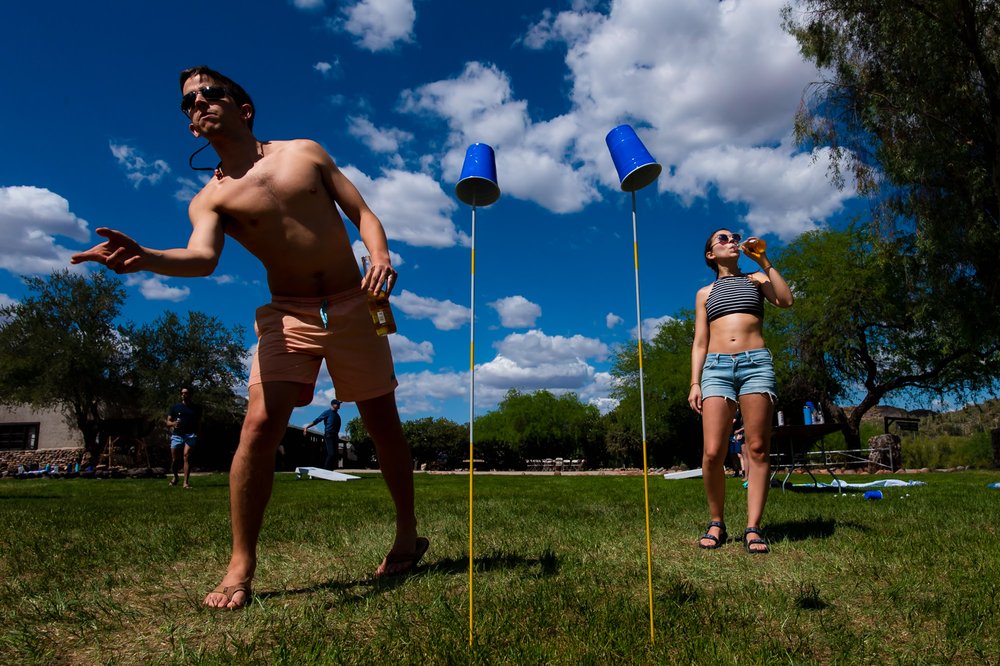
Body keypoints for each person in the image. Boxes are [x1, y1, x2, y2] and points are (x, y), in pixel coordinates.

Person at [71, 66, 428, 608]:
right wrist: (146, 258)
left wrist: (378, 256)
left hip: (356, 304)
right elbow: (201, 259)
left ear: (243, 108)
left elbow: (363, 213)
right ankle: (240, 565)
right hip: (287, 313)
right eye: (189, 102)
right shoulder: (209, 198)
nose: (199, 104)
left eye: (210, 94)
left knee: (382, 424)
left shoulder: (304, 153)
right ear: (191, 126)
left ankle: (406, 534)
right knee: (259, 425)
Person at [688, 229, 793, 554]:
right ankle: (716, 522)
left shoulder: (757, 279)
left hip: (756, 364)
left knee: (758, 447)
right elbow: (700, 342)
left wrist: (762, 259)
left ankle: (753, 527)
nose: (732, 240)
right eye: (723, 239)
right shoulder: (705, 292)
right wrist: (695, 382)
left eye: (734, 236)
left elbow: (786, 301)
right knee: (713, 451)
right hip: (716, 368)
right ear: (710, 254)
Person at [166, 386, 201, 488]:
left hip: (191, 435)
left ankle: (185, 482)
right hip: (177, 435)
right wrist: (173, 423)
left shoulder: (196, 408)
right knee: (175, 460)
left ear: (190, 394)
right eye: (182, 393)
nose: (183, 395)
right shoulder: (175, 407)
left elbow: (199, 423)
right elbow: (168, 422)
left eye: (185, 393)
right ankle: (176, 477)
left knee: (186, 456)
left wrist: (199, 434)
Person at [304, 399, 343, 469]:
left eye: (339, 404)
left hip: (335, 435)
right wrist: (307, 427)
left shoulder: (337, 415)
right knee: (331, 454)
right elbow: (317, 420)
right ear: (333, 405)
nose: (339, 405)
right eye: (337, 404)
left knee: (334, 455)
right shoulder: (327, 412)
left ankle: (330, 471)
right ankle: (325, 470)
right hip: (329, 435)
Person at [727, 410, 746, 479]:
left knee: (739, 454)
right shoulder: (730, 412)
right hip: (732, 435)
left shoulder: (738, 413)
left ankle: (743, 472)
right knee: (733, 455)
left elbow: (733, 422)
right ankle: (736, 471)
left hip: (738, 435)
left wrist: (739, 431)